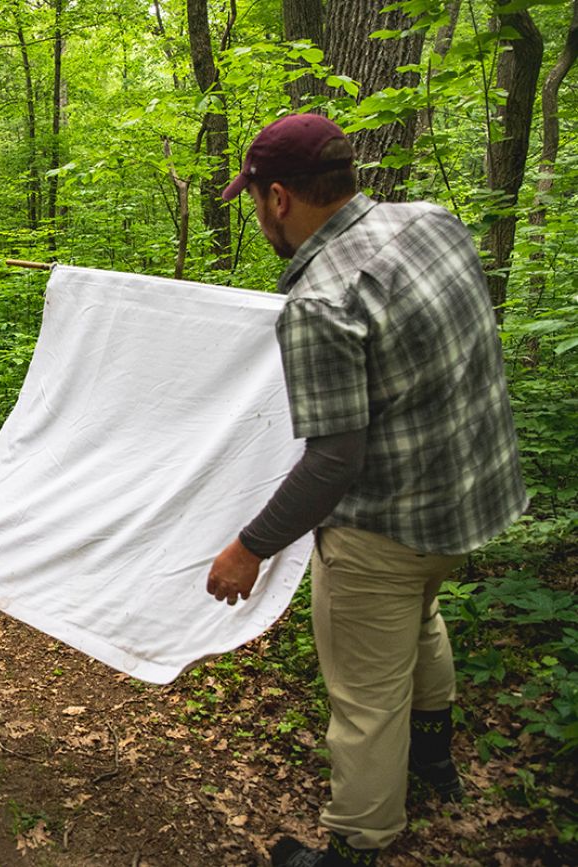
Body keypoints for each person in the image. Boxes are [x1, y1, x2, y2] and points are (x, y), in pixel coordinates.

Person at [208, 113, 527, 866]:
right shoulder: (432, 223)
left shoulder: (321, 298)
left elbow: (333, 461)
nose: (258, 217)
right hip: (470, 501)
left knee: (364, 697)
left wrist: (248, 547)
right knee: (420, 620)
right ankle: (435, 764)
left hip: (382, 526)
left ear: (278, 197)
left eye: (254, 201)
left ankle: (358, 842)